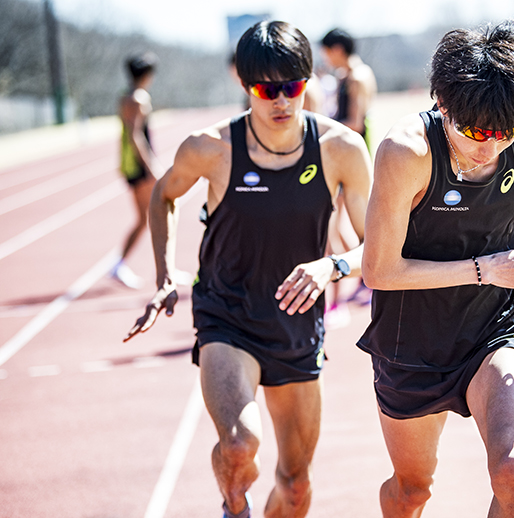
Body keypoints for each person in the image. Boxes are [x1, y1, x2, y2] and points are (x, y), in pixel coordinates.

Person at [124, 21, 371, 518]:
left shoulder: (341, 149)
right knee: (239, 445)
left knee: (296, 486)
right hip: (226, 314)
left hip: (296, 321)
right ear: (244, 85)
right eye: (267, 89)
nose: (281, 100)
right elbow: (163, 199)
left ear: (308, 81)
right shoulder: (211, 148)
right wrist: (164, 274)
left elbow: (378, 243)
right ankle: (234, 507)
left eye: (293, 86)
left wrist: (333, 265)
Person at [358, 21, 514, 517]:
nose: (490, 148)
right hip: (410, 341)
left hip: (490, 328)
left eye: (505, 133)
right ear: (444, 103)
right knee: (412, 490)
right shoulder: (406, 150)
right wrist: (486, 269)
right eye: (475, 132)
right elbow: (379, 271)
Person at [321, 28, 377, 323]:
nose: (325, 58)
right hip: (346, 154)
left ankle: (368, 278)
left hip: (353, 156)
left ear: (337, 48)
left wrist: (321, 126)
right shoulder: (347, 76)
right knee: (341, 224)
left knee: (356, 225)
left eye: (326, 51)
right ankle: (362, 277)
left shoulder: (357, 77)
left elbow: (354, 122)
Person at [113, 52, 163, 289]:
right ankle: (121, 265)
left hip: (130, 164)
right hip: (139, 167)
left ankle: (121, 265)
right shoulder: (139, 99)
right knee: (152, 216)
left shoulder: (125, 96)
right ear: (147, 75)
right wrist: (150, 165)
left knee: (148, 218)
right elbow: (136, 135)